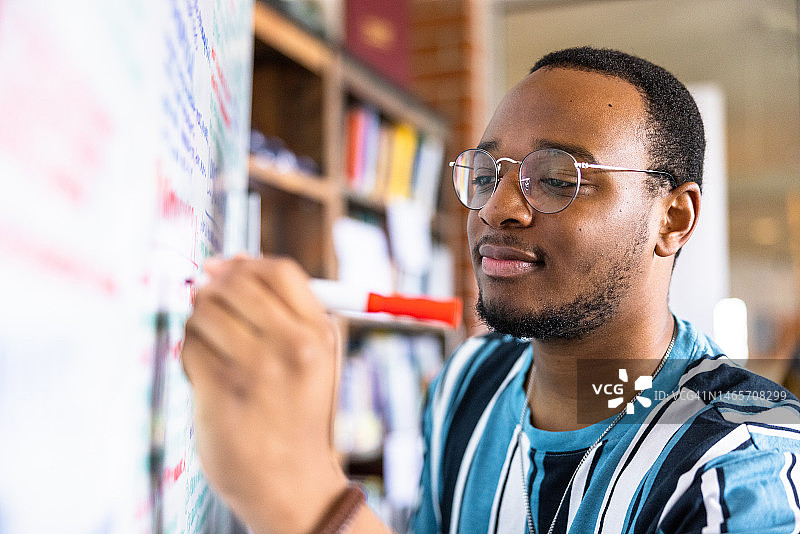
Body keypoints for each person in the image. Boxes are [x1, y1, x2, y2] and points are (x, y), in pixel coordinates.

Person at [181, 46, 800, 534]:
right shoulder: (468, 381)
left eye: (559, 178)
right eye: (484, 174)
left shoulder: (745, 462)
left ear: (671, 219)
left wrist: (309, 501)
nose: (497, 207)